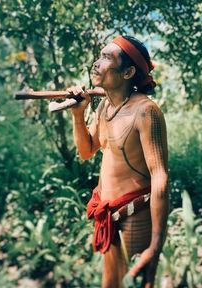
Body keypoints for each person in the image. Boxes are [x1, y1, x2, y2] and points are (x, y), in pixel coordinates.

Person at [68, 35, 170, 288]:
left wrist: (156, 245)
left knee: (134, 283)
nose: (96, 63)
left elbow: (160, 176)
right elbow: (86, 151)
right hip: (107, 212)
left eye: (106, 58)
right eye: (99, 56)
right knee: (111, 284)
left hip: (135, 213)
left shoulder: (146, 111)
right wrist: (78, 114)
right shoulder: (105, 106)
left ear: (128, 72)